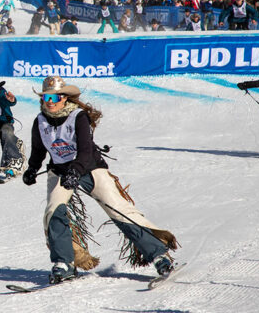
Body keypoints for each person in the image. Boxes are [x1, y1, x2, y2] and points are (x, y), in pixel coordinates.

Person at [22, 76, 179, 283]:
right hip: (60, 171)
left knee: (120, 210)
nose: (49, 101)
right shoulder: (40, 121)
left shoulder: (79, 117)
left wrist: (76, 171)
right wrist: (32, 169)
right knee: (53, 212)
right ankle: (64, 263)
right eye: (45, 97)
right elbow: (39, 149)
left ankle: (159, 255)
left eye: (54, 96)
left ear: (65, 97)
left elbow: (86, 151)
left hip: (89, 168)